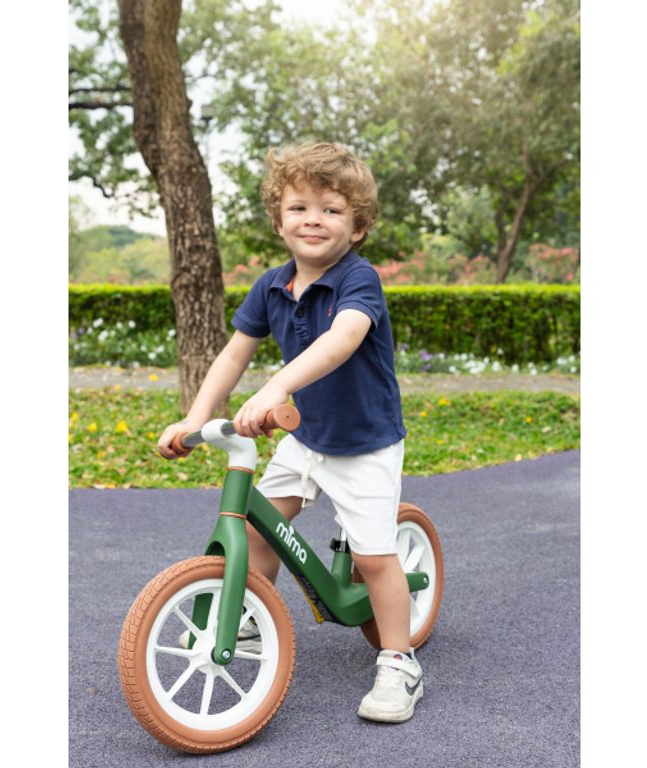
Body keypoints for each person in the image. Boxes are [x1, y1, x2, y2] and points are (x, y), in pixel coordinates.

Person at [157, 142, 422, 723]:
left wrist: (276, 387)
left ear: (357, 227)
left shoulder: (358, 280)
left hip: (365, 443)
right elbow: (232, 356)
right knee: (258, 533)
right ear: (279, 221)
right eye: (299, 207)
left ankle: (400, 661)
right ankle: (249, 620)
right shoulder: (272, 286)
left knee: (375, 558)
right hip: (306, 439)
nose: (313, 220)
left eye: (332, 210)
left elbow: (342, 340)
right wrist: (195, 418)